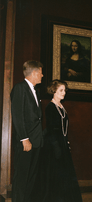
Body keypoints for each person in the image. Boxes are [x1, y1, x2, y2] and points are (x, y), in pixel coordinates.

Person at [41, 79, 82, 202]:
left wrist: (66, 143)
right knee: (56, 175)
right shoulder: (50, 107)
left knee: (65, 175)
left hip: (62, 144)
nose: (64, 93)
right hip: (54, 146)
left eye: (65, 90)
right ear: (54, 91)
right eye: (61, 90)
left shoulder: (61, 107)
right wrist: (57, 147)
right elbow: (51, 129)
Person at [10, 60, 43, 202]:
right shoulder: (20, 88)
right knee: (22, 178)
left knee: (31, 178)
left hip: (36, 141)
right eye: (41, 72)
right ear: (34, 73)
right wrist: (24, 139)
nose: (42, 75)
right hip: (26, 142)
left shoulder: (35, 90)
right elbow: (18, 115)